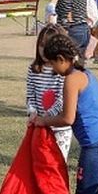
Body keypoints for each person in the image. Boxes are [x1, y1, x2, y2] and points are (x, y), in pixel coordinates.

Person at [29, 32, 98, 194]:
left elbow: (67, 118)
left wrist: (42, 121)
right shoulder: (86, 73)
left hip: (96, 147)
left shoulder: (71, 80)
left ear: (62, 59)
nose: (53, 69)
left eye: (53, 63)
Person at [26, 24, 74, 160]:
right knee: (40, 161)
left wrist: (48, 117)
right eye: (41, 45)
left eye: (47, 46)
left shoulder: (63, 71)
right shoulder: (33, 69)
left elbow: (62, 98)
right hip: (39, 125)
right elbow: (30, 95)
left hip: (59, 128)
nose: (44, 51)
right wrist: (32, 112)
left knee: (57, 163)